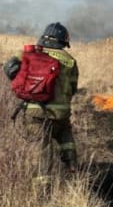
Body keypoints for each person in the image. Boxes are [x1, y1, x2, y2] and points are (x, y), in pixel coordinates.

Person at [3, 22, 79, 184]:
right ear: (62, 41)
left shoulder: (27, 53)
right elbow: (73, 89)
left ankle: (43, 196)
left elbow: (9, 67)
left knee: (43, 154)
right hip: (60, 114)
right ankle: (73, 169)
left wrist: (23, 86)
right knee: (66, 138)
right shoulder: (70, 61)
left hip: (35, 112)